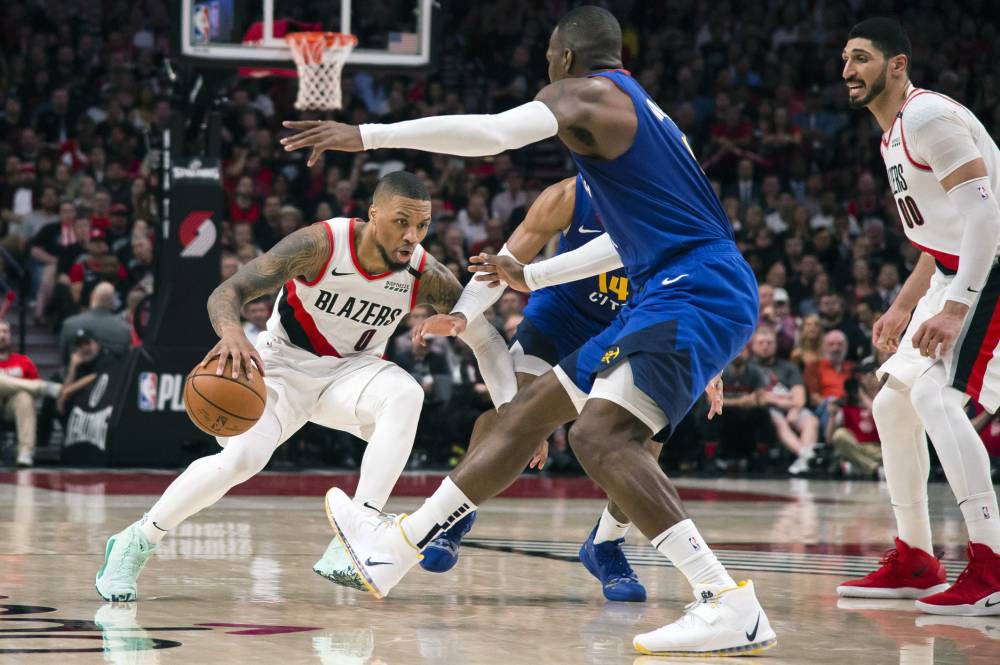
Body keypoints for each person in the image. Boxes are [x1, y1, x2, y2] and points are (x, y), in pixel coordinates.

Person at [281, 6, 774, 655]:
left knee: (600, 434)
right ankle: (393, 550)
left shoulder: (586, 94)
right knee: (526, 414)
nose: (546, 68)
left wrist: (367, 134)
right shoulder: (639, 117)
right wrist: (533, 277)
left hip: (693, 286)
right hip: (673, 283)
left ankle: (726, 601)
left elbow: (492, 133)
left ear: (567, 57)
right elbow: (631, 240)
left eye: (548, 56)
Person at [94, 171, 516, 602]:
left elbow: (486, 338)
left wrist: (512, 410)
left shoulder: (425, 274)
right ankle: (136, 540)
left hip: (352, 374)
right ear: (373, 215)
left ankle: (357, 533)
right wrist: (232, 333)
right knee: (242, 459)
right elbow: (229, 291)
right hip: (282, 367)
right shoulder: (321, 244)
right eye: (401, 221)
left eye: (422, 226)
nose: (412, 236)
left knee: (406, 393)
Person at [416, 176, 718, 602]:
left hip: (634, 325)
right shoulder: (567, 197)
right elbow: (503, 265)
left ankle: (605, 544)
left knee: (642, 442)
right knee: (515, 413)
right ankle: (455, 514)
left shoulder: (672, 198)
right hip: (560, 319)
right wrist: (464, 314)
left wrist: (711, 360)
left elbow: (700, 280)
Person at [834, 18, 1000, 616]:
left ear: (897, 64)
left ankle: (992, 567)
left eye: (861, 58)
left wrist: (955, 310)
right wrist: (906, 303)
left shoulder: (928, 118)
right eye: (845, 60)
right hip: (960, 270)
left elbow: (986, 220)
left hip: (992, 269)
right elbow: (945, 234)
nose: (848, 70)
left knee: (937, 399)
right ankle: (916, 560)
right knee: (891, 403)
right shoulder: (893, 134)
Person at [751, 327, 820, 474]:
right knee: (778, 421)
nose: (765, 346)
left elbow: (800, 397)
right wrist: (785, 400)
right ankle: (807, 455)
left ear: (776, 345)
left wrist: (793, 408)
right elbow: (760, 398)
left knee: (811, 421)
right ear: (753, 345)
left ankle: (804, 462)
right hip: (767, 411)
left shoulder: (789, 367)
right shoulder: (750, 368)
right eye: (761, 343)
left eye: (769, 343)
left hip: (792, 407)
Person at [0, 320, 60, 466]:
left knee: (25, 397)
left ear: (10, 335)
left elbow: (33, 396)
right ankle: (43, 387)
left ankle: (25, 452)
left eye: (5, 332)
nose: (2, 336)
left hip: (12, 408)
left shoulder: (23, 361)